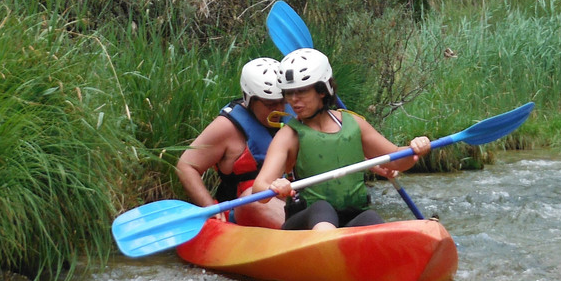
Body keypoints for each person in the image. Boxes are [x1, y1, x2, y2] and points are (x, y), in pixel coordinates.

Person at [251, 48, 432, 231]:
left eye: (302, 92)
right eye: (289, 93)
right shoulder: (289, 135)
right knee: (322, 209)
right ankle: (329, 249)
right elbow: (259, 188)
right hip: (306, 223)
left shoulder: (354, 124)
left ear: (322, 90)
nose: (294, 100)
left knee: (370, 217)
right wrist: (275, 186)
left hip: (352, 216)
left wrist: (415, 148)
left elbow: (396, 160)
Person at [175, 58, 288, 228]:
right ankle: (309, 235)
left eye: (283, 101)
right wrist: (210, 208)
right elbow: (186, 166)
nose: (279, 109)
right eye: (270, 104)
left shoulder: (293, 114)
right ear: (250, 99)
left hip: (287, 200)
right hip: (243, 213)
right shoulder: (226, 127)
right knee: (253, 197)